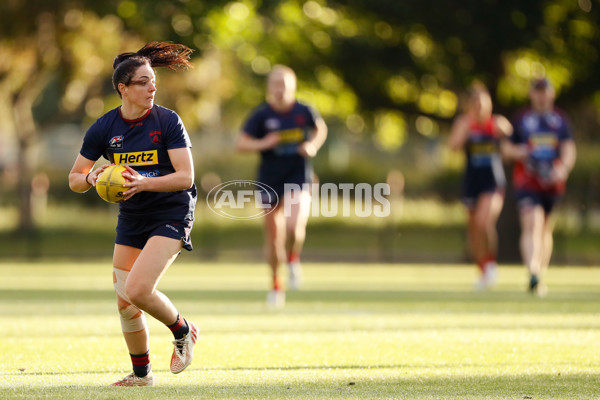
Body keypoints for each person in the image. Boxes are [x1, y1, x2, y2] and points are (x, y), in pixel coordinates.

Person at [68, 42, 199, 386]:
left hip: (171, 210)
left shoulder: (167, 120)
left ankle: (183, 330)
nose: (152, 87)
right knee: (125, 302)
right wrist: (91, 176)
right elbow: (74, 179)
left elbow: (185, 177)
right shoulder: (104, 128)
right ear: (122, 88)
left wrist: (143, 183)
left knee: (139, 289)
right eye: (143, 82)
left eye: (153, 80)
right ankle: (142, 375)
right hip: (133, 217)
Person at [235, 65, 327, 307]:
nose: (279, 90)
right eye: (274, 85)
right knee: (274, 237)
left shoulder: (304, 111)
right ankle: (276, 285)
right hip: (269, 179)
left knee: (293, 226)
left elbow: (320, 129)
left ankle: (293, 259)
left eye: (283, 85)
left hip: (298, 175)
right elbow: (241, 144)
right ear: (269, 88)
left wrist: (312, 145)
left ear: (292, 87)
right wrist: (264, 142)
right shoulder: (261, 115)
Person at [502, 77, 576, 295]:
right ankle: (532, 271)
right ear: (531, 94)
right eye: (538, 91)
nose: (542, 96)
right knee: (532, 223)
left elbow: (568, 149)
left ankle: (540, 272)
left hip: (552, 183)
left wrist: (561, 169)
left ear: (551, 94)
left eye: (545, 91)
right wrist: (519, 153)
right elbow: (507, 148)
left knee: (545, 227)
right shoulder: (522, 120)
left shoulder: (560, 120)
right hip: (527, 180)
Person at [448, 82, 513, 290]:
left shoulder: (498, 124)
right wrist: (466, 129)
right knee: (474, 229)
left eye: (484, 105)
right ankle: (483, 268)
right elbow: (453, 146)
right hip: (471, 182)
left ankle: (491, 263)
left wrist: (505, 139)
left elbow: (513, 144)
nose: (481, 109)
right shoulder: (465, 124)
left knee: (483, 221)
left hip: (493, 182)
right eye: (476, 105)